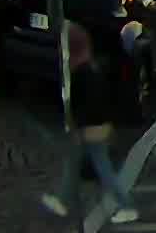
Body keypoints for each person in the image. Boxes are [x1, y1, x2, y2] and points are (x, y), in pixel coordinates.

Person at [42, 19, 138, 221]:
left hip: (91, 130)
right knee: (77, 163)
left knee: (101, 169)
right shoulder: (90, 70)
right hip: (96, 127)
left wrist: (77, 127)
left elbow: (85, 105)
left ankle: (126, 206)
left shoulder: (82, 74)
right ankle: (62, 200)